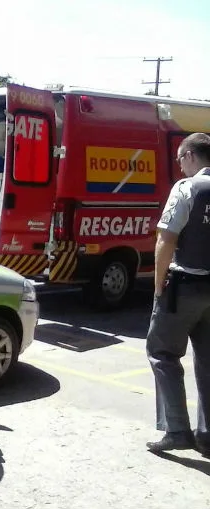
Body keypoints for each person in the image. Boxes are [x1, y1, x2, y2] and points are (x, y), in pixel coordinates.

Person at [145, 132, 210, 457]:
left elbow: (166, 239)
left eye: (179, 159)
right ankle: (208, 436)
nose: (179, 166)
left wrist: (158, 285)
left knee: (162, 354)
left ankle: (177, 430)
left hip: (184, 287)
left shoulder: (187, 189)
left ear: (189, 156)